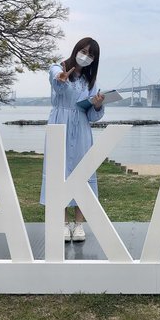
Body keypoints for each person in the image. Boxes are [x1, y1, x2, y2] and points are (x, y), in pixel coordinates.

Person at [39, 37, 105, 242]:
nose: (86, 56)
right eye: (83, 51)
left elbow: (92, 116)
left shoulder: (90, 82)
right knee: (58, 171)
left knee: (82, 171)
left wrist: (97, 105)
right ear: (76, 50)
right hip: (60, 123)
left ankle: (79, 223)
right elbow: (56, 80)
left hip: (82, 127)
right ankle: (62, 222)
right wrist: (60, 77)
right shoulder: (59, 68)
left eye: (91, 55)